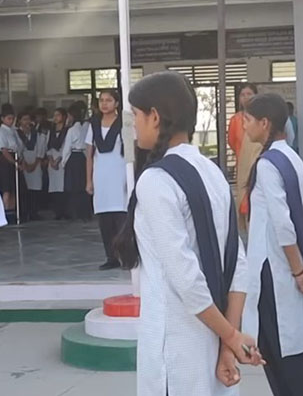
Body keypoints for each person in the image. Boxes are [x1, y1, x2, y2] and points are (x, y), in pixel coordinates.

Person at [112, 71, 262, 396]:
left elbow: (185, 278)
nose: (134, 125)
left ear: (154, 117)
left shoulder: (156, 181)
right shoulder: (213, 173)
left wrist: (231, 338)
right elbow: (237, 265)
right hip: (214, 342)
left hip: (176, 352)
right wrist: (228, 341)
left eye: (136, 115)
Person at [241, 94, 303, 396]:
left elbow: (283, 224)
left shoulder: (267, 165)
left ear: (265, 123)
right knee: (296, 347)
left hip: (275, 270)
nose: (244, 125)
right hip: (290, 266)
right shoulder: (292, 158)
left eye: (248, 120)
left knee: (281, 353)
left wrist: (299, 271)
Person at [86, 90, 128, 270]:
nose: (104, 104)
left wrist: (130, 177)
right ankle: (111, 257)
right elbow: (89, 155)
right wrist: (89, 180)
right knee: (105, 220)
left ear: (116, 103)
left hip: (119, 175)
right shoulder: (94, 125)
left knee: (121, 219)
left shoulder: (124, 123)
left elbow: (131, 152)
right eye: (102, 100)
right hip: (101, 177)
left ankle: (126, 257)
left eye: (109, 100)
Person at [228, 83, 261, 234]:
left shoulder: (262, 119)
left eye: (249, 94)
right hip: (243, 166)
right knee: (245, 201)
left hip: (259, 164)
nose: (246, 97)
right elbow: (232, 142)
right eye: (243, 95)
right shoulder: (235, 120)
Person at [62, 102, 92, 222]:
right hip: (83, 157)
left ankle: (76, 213)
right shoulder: (86, 127)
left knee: (74, 187)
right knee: (83, 185)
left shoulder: (72, 130)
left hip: (74, 157)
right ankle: (86, 212)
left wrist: (64, 161)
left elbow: (67, 147)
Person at [16, 111, 46, 221]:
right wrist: (24, 163)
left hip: (35, 163)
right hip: (23, 164)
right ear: (19, 121)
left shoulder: (36, 134)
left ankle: (34, 212)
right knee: (24, 190)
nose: (27, 122)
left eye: (28, 119)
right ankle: (24, 213)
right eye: (24, 119)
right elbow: (17, 149)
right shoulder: (17, 133)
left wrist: (35, 163)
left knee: (35, 188)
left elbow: (41, 148)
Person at [46, 108, 69, 220]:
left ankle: (65, 210)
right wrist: (51, 160)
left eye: (58, 115)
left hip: (62, 161)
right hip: (52, 162)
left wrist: (58, 160)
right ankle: (57, 211)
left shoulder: (67, 131)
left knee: (62, 186)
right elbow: (48, 147)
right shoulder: (51, 131)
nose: (55, 118)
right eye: (54, 115)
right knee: (54, 186)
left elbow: (66, 147)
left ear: (64, 117)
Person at [0, 104, 19, 220]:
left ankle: (12, 212)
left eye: (12, 118)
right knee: (6, 188)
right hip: (5, 161)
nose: (11, 121)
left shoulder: (13, 131)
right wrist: (14, 162)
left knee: (13, 188)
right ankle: (5, 213)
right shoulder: (1, 131)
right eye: (8, 118)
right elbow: (4, 150)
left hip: (14, 156)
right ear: (2, 118)